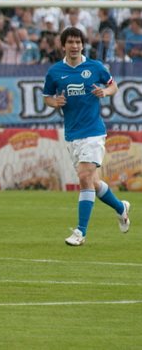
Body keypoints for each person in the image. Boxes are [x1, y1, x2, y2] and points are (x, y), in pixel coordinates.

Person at [42, 27, 131, 246]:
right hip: (72, 134)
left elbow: (113, 86)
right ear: (63, 45)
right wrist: (55, 103)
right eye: (70, 42)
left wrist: (105, 92)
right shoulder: (55, 72)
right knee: (93, 181)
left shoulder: (95, 67)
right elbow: (47, 97)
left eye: (78, 42)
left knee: (84, 176)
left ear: (83, 45)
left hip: (94, 132)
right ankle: (121, 207)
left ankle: (80, 232)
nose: (74, 46)